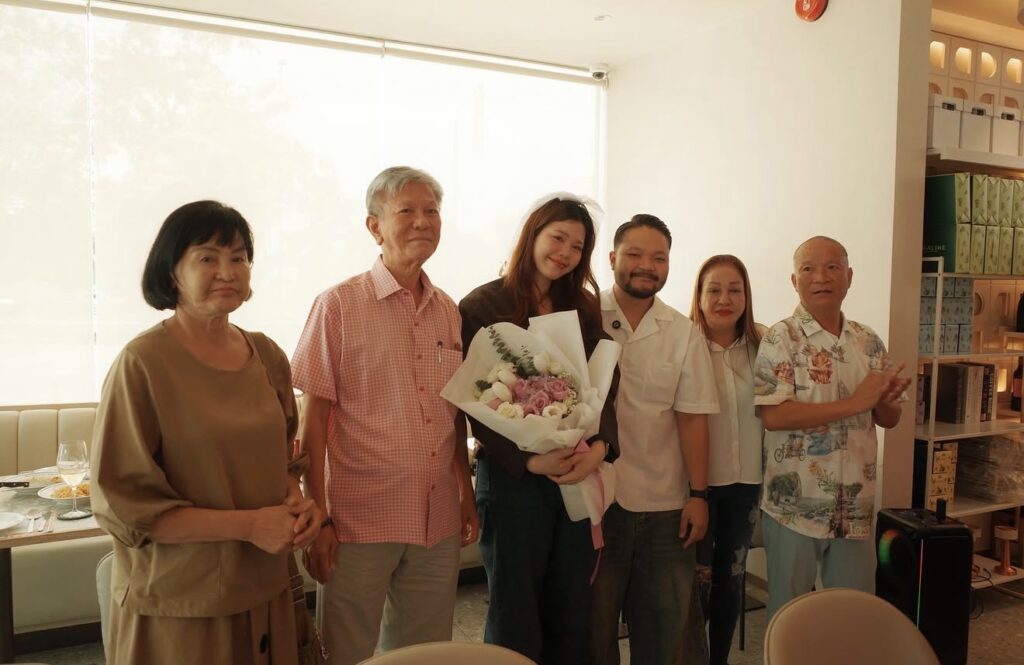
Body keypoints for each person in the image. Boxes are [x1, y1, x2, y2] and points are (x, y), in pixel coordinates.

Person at [91, 200, 319, 665]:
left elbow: (281, 462)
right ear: (171, 272)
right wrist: (250, 525)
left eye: (239, 258)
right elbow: (124, 507)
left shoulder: (267, 355)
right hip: (183, 602)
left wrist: (298, 505)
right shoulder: (142, 364)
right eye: (207, 258)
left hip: (265, 585)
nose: (228, 272)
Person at [292, 166, 479, 665]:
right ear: (374, 226)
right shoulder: (337, 306)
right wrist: (318, 516)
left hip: (437, 515)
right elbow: (312, 422)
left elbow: (452, 413)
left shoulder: (448, 310)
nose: (423, 221)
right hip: (358, 518)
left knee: (426, 652)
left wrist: (465, 492)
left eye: (432, 211)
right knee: (345, 651)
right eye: (407, 211)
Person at [459, 195, 618, 665]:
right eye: (557, 238)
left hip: (575, 470)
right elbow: (471, 400)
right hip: (513, 480)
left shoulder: (582, 307)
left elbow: (607, 386)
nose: (565, 252)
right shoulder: (482, 305)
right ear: (533, 235)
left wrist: (601, 448)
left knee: (571, 604)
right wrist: (529, 460)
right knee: (515, 610)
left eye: (577, 246)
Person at [754, 236, 910, 618]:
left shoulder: (867, 341)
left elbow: (889, 419)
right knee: (789, 617)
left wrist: (884, 398)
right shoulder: (780, 337)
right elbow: (774, 416)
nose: (821, 277)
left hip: (854, 507)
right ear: (795, 281)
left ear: (849, 276)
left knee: (852, 616)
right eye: (808, 269)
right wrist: (855, 403)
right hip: (795, 509)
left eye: (832, 267)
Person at [587, 214, 718, 665]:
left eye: (659, 258)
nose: (647, 265)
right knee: (593, 632)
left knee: (664, 636)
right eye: (635, 254)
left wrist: (698, 496)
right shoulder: (584, 317)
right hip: (596, 503)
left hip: (665, 508)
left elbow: (693, 419)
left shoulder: (682, 333)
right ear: (612, 258)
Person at [689, 254, 764, 665]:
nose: (724, 299)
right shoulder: (685, 346)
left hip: (746, 483)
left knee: (731, 579)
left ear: (746, 296)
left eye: (735, 290)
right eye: (714, 289)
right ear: (699, 296)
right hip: (696, 486)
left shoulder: (763, 346)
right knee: (697, 581)